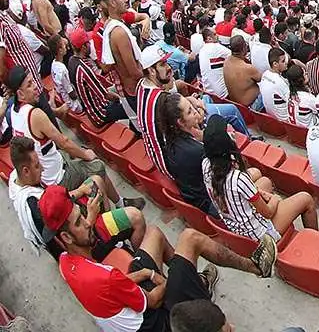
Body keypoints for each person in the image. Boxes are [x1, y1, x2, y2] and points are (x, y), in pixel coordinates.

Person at [41, 185, 275, 331]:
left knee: (153, 233)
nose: (88, 222)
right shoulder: (104, 276)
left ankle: (192, 281)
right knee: (190, 238)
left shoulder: (65, 262)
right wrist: (160, 276)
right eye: (80, 223)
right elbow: (152, 300)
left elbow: (113, 285)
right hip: (157, 321)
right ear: (66, 236)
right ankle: (256, 266)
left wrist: (145, 273)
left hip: (129, 299)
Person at [3, 65, 135, 207]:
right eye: (29, 85)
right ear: (20, 94)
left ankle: (120, 202)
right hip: (57, 177)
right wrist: (86, 154)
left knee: (81, 157)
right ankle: (114, 213)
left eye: (33, 81)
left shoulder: (13, 113)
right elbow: (64, 142)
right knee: (97, 165)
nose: (35, 86)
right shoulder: (34, 114)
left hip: (47, 173)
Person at [9, 135, 146, 260]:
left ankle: (115, 234)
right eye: (37, 166)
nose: (43, 169)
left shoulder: (15, 179)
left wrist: (80, 192)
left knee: (96, 180)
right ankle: (131, 256)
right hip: (86, 245)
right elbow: (75, 242)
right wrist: (91, 216)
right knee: (136, 216)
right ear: (25, 171)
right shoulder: (37, 206)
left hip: (77, 232)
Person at [201, 116, 319, 242]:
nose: (231, 132)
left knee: (265, 182)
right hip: (260, 236)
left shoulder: (206, 164)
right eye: (228, 131)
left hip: (233, 224)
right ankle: (315, 241)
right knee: (305, 198)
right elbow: (268, 213)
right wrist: (275, 199)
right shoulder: (238, 179)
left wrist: (260, 193)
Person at [158, 91, 219, 217]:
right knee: (260, 179)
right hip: (210, 202)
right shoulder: (196, 151)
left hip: (196, 194)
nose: (195, 111)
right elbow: (225, 172)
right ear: (180, 122)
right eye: (190, 111)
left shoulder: (170, 139)